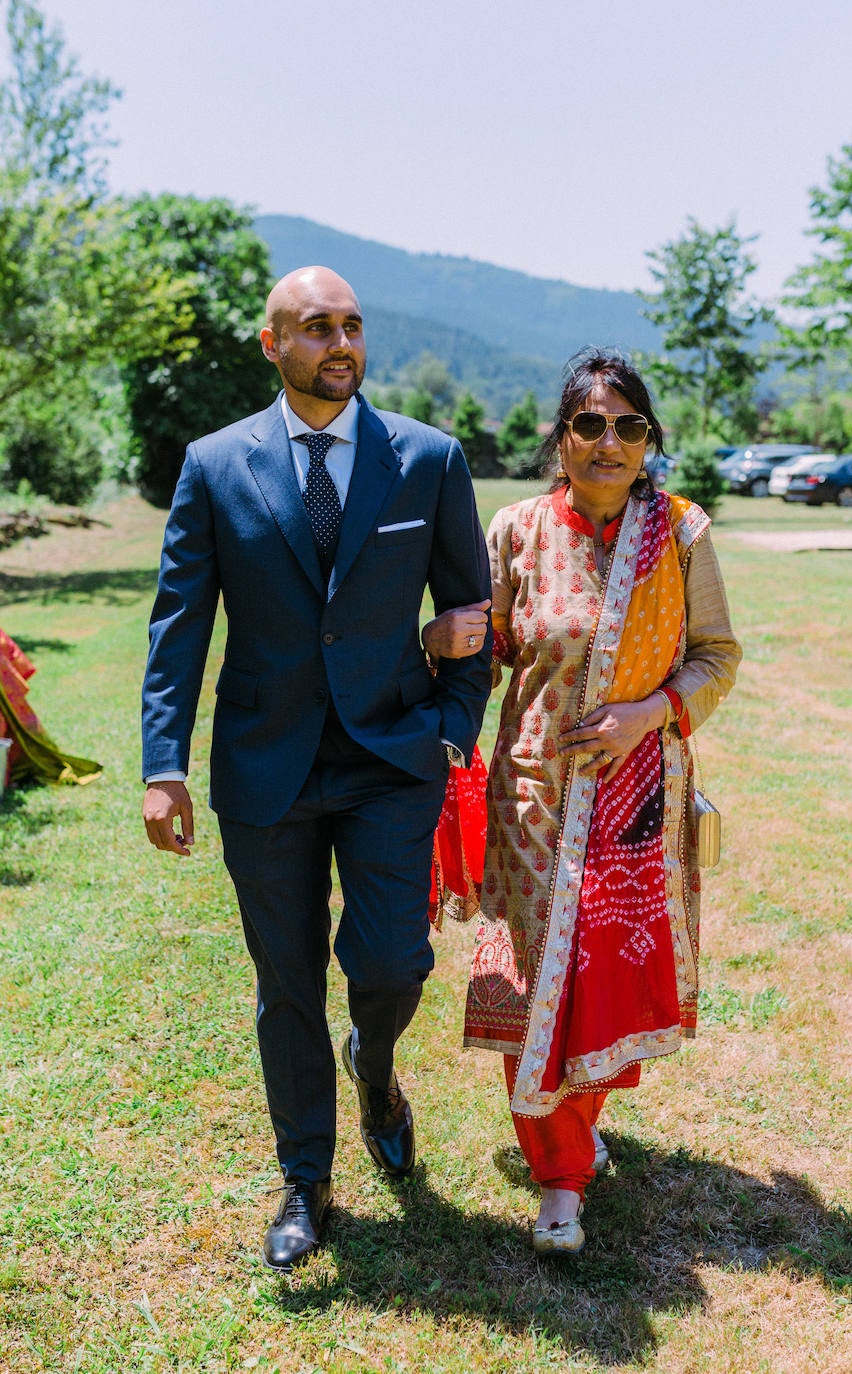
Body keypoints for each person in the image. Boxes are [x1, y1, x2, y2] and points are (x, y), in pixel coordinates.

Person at [141, 266, 492, 1271]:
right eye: (315, 326)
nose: (339, 342)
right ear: (271, 344)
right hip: (266, 769)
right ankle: (306, 1177)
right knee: (285, 979)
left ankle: (374, 1071)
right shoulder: (213, 466)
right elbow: (176, 629)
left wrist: (448, 734)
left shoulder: (426, 459)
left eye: (351, 324)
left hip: (391, 757)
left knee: (390, 964)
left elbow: (475, 620)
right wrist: (162, 764)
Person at [424, 349, 741, 1257]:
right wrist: (432, 646)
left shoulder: (680, 535)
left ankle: (576, 1124)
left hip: (636, 799)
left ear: (649, 442)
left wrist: (648, 712)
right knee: (534, 989)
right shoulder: (517, 530)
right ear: (559, 437)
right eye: (589, 425)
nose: (608, 443)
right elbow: (477, 658)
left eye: (628, 427)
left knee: (598, 984)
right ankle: (559, 1178)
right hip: (533, 799)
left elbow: (716, 656)